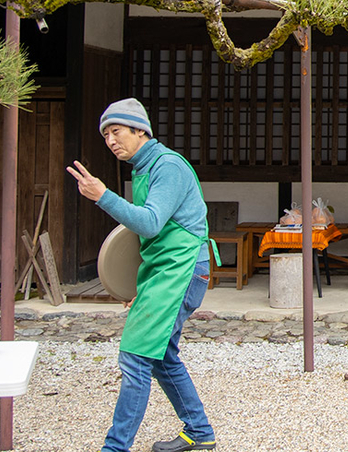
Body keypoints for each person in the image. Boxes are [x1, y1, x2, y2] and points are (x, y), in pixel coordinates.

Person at [68, 98, 217, 452]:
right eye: (105, 135)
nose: (110, 141)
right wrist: (141, 286)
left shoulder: (168, 166)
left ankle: (115, 448)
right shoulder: (143, 167)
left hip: (182, 270)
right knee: (162, 354)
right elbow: (145, 238)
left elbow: (149, 224)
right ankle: (199, 431)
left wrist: (103, 196)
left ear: (140, 130)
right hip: (164, 271)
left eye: (116, 131)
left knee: (135, 356)